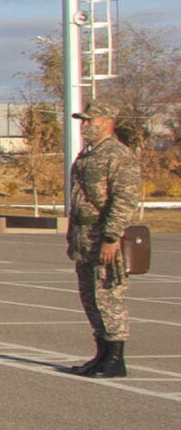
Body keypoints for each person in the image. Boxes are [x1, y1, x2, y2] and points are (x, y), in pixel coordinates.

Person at [65, 102, 141, 378]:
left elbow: (124, 199)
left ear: (108, 120)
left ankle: (115, 358)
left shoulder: (118, 155)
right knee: (90, 297)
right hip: (84, 235)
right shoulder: (87, 155)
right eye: (83, 121)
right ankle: (101, 354)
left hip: (104, 235)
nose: (85, 125)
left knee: (107, 295)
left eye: (90, 120)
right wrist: (72, 237)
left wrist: (111, 237)